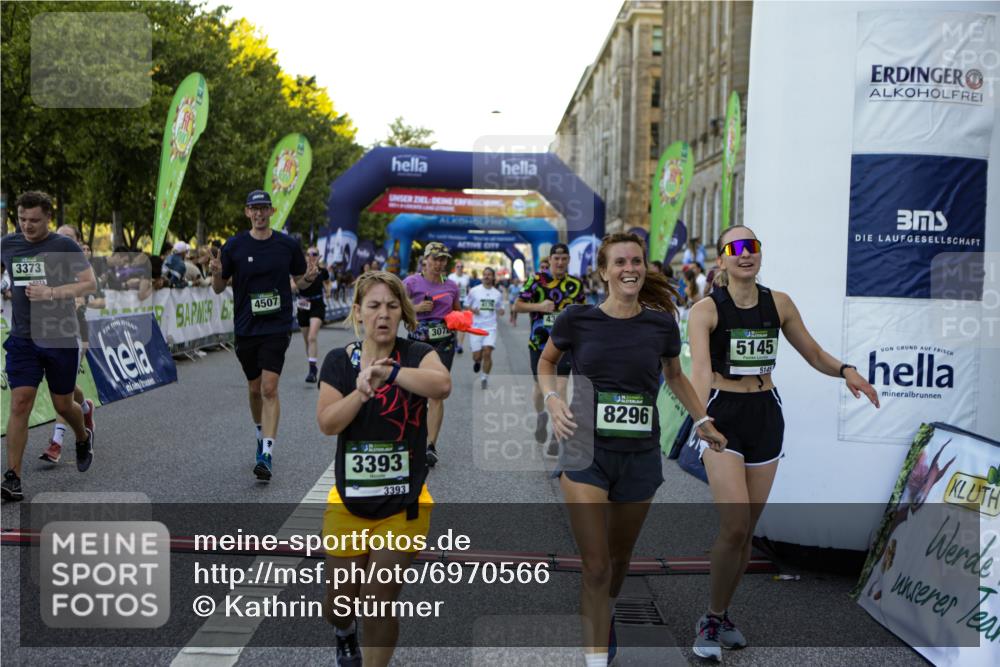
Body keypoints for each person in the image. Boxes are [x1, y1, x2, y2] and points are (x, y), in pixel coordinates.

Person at [686, 225, 880, 660]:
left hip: (766, 415)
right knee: (735, 526)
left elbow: (813, 353)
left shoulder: (779, 303)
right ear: (721, 259)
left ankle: (722, 614)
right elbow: (699, 370)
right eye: (736, 247)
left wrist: (846, 370)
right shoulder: (705, 310)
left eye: (752, 246)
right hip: (721, 415)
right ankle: (710, 618)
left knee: (747, 531)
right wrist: (700, 419)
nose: (745, 254)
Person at [540, 232, 727, 666]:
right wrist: (552, 399)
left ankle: (603, 612)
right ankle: (595, 657)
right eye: (620, 262)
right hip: (585, 452)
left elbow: (675, 377)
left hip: (639, 456)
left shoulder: (661, 325)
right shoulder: (577, 319)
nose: (630, 269)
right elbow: (547, 361)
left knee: (619, 558)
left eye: (637, 261)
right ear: (604, 271)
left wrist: (702, 421)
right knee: (596, 565)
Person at [317, 271, 451, 667]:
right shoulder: (339, 361)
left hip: (403, 502)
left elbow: (442, 385)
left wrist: (389, 373)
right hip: (350, 500)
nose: (383, 314)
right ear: (358, 312)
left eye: (393, 306)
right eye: (374, 305)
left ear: (403, 313)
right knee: (339, 605)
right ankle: (344, 632)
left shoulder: (416, 354)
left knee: (377, 600)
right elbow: (327, 423)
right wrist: (360, 394)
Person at [209, 190, 319, 481]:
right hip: (246, 327)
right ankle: (260, 433)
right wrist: (216, 273)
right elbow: (218, 288)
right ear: (247, 212)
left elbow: (300, 282)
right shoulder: (234, 246)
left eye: (263, 208)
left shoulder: (287, 245)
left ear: (272, 211)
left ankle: (266, 454)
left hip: (277, 326)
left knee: (270, 388)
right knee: (255, 388)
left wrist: (309, 277)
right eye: (254, 208)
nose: (259, 213)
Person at [2, 191, 97, 501]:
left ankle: (82, 436)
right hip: (23, 338)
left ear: (48, 218)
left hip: (59, 337)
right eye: (22, 219)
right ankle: (13, 477)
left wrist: (52, 293)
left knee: (62, 405)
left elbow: (89, 283)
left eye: (34, 220)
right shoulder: (8, 245)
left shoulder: (64, 246)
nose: (27, 226)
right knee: (20, 403)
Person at [513, 244, 585, 457]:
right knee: (539, 389)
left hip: (565, 345)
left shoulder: (576, 284)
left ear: (568, 260)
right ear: (550, 259)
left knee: (561, 388)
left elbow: (582, 313)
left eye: (564, 259)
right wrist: (539, 306)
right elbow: (517, 305)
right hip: (540, 344)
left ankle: (556, 433)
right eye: (556, 258)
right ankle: (541, 416)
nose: (560, 262)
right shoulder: (536, 280)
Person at [39, 224, 97, 463]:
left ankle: (57, 442)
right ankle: (85, 409)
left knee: (62, 390)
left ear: (77, 242)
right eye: (59, 237)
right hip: (47, 333)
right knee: (67, 386)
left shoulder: (81, 266)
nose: (62, 242)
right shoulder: (47, 263)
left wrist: (73, 299)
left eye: (69, 238)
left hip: (74, 331)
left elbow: (85, 295)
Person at [402, 242, 460, 468]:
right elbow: (396, 307)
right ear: (425, 260)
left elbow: (457, 311)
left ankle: (430, 446)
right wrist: (415, 308)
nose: (439, 263)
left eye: (443, 259)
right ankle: (411, 439)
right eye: (435, 259)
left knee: (436, 394)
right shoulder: (411, 283)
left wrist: (460, 321)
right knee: (415, 394)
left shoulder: (452, 285)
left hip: (444, 343)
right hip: (417, 344)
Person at [293, 246, 330, 384]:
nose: (311, 256)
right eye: (308, 254)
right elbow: (293, 286)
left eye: (314, 254)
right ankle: (312, 365)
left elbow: (327, 282)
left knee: (312, 337)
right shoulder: (299, 271)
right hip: (303, 305)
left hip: (317, 305)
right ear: (305, 257)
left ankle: (312, 371)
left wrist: (328, 290)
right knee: (307, 341)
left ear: (318, 256)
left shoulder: (322, 271)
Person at [464, 266, 505, 389]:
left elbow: (501, 307)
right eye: (485, 274)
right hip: (476, 327)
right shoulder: (474, 291)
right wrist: (473, 310)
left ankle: (484, 378)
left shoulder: (497, 294)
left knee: (487, 352)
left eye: (489, 274)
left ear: (493, 277)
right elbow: (466, 305)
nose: (486, 276)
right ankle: (477, 361)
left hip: (490, 327)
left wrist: (501, 311)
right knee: (477, 356)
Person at [446, 260, 471, 354]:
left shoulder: (466, 277)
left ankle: (460, 345)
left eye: (461, 267)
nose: (460, 268)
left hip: (463, 301)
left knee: (462, 323)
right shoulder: (451, 277)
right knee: (454, 323)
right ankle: (455, 340)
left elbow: (468, 289)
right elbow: (447, 289)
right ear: (455, 268)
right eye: (458, 266)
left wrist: (469, 300)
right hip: (453, 301)